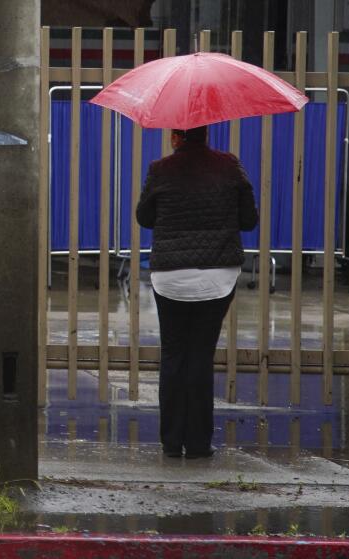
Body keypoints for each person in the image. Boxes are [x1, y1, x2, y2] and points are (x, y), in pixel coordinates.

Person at [136, 125, 258, 460]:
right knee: (200, 356)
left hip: (171, 277)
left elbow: (143, 217)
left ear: (177, 137)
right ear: (206, 134)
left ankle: (172, 443)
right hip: (217, 277)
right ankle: (200, 443)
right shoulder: (229, 166)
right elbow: (249, 220)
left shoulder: (160, 169)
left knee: (174, 355)